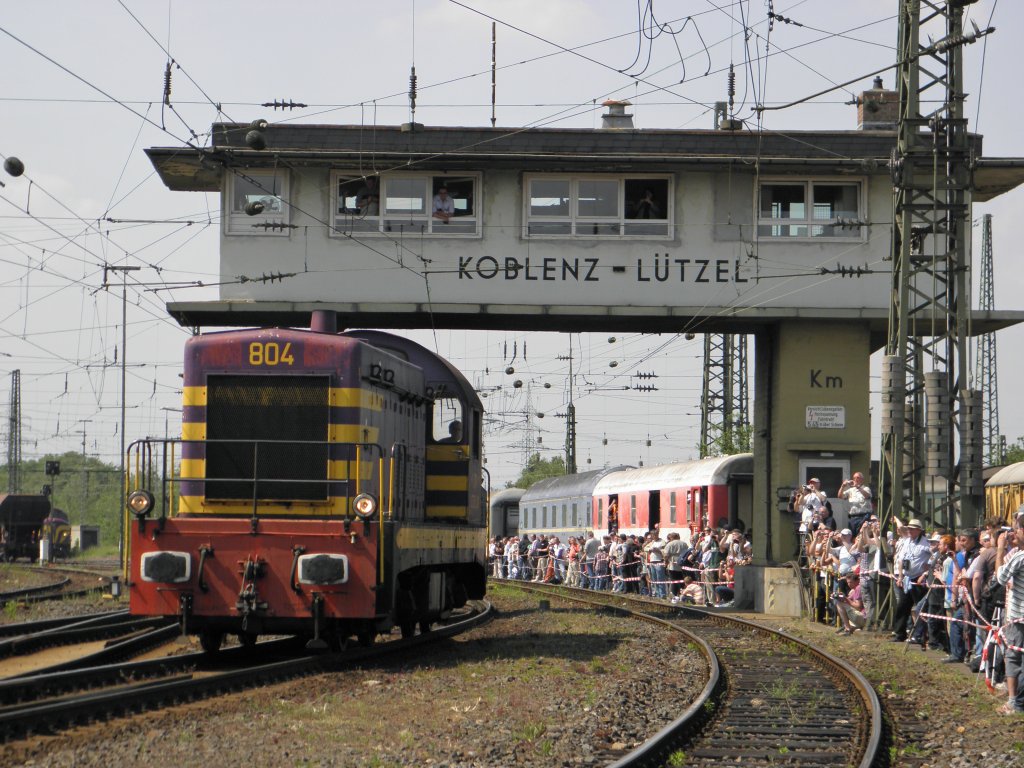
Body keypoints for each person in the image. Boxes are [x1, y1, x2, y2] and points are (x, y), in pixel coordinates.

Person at [994, 510, 1024, 714]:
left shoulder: (1020, 557)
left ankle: (1015, 702)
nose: (1015, 532)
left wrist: (1000, 549)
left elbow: (1000, 577)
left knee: (1013, 656)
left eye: (1018, 528)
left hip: (1018, 616)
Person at [890, 519, 932, 643]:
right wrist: (900, 576)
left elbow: (933, 557)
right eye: (909, 528)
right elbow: (901, 560)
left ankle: (920, 635)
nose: (909, 530)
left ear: (919, 530)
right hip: (907, 578)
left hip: (918, 579)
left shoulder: (925, 543)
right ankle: (899, 633)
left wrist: (925, 572)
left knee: (920, 607)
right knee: (902, 606)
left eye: (912, 529)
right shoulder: (907, 541)